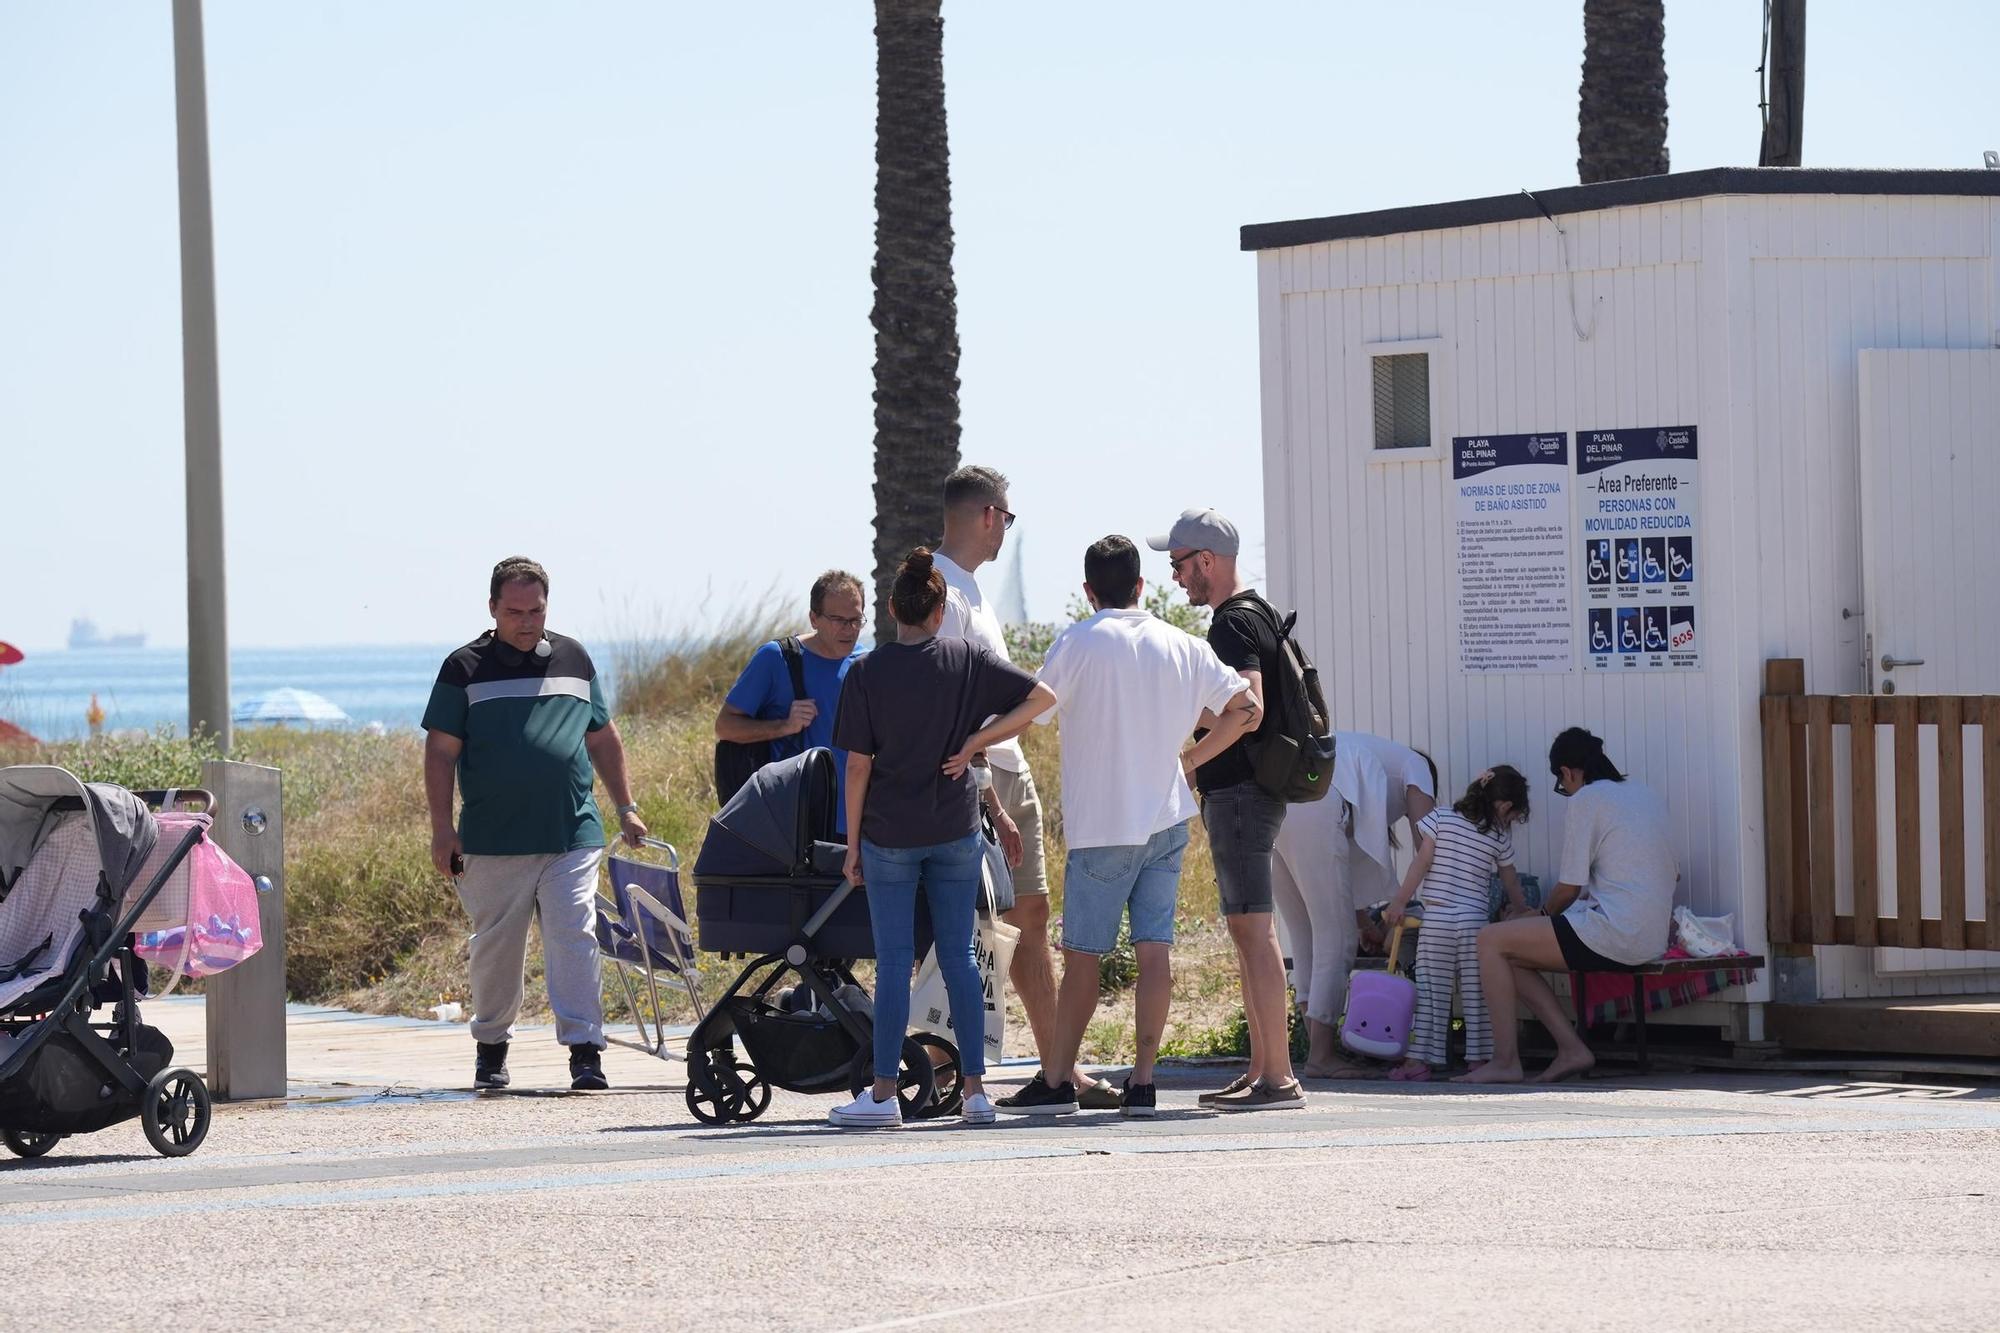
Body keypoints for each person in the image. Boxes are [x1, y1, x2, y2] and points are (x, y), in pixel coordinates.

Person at [995, 536, 1258, 1117]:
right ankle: (1142, 1081)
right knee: (1155, 953)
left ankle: (1058, 1079)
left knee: (1084, 956)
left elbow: (1034, 712)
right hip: (1167, 819)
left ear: (1088, 591)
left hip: (1103, 825)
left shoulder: (1079, 641)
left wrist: (976, 738)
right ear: (1142, 585)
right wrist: (1189, 759)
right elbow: (1247, 710)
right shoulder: (1181, 643)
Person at [827, 548, 1056, 1128]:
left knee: (896, 959)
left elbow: (857, 766)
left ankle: (882, 1096)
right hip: (955, 830)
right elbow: (1041, 698)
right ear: (939, 609)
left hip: (888, 834)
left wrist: (851, 844)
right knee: (959, 958)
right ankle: (976, 1093)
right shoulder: (966, 659)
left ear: (890, 609)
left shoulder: (866, 672)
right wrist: (979, 743)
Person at [422, 556, 646, 1092]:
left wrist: (625, 806)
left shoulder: (573, 658)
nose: (527, 621)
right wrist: (441, 828)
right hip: (492, 840)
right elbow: (440, 752)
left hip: (572, 832)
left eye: (536, 610)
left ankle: (586, 1052)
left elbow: (602, 738)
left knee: (574, 933)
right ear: (493, 608)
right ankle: (491, 1047)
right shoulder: (464, 668)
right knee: (497, 945)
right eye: (514, 611)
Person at [932, 465, 1118, 1109]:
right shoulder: (942, 592)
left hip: (1010, 770)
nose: (1006, 530)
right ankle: (933, 1067)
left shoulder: (972, 591)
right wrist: (985, 791)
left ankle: (1058, 1072)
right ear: (987, 515)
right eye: (1006, 518)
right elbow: (945, 710)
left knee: (1031, 917)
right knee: (965, 928)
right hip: (978, 779)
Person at [1151, 507, 1305, 1111]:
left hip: (1240, 793)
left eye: (1180, 565)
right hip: (1255, 791)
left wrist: (1186, 763)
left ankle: (1279, 1078)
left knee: (1253, 931)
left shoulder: (1231, 626)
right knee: (1250, 933)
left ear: (1206, 561)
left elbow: (1249, 709)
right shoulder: (1259, 613)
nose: (1176, 578)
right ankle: (1262, 1069)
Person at [1458, 728, 1678, 1085]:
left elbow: (1569, 889)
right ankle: (1571, 1049)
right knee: (1509, 953)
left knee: (1490, 940)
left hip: (1616, 934)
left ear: (1567, 773)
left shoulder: (1587, 799)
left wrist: (1539, 915)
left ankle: (1505, 1061)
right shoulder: (1645, 794)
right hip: (1651, 936)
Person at [1271, 732, 1437, 1077]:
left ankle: (1316, 1049)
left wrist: (1367, 924)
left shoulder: (1365, 777)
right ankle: (1322, 1055)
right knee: (1337, 939)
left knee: (1307, 939)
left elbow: (1343, 877)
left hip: (1277, 806)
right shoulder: (1417, 765)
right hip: (1317, 804)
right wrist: (1416, 903)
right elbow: (1428, 843)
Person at [1383, 766, 1531, 1080]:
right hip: (1474, 921)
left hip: (1437, 918)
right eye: (1513, 815)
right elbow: (1510, 879)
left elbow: (1420, 863)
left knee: (1430, 992)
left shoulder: (1440, 818)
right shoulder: (1498, 837)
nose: (1510, 822)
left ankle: (1419, 1061)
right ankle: (1479, 1060)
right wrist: (1521, 909)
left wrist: (1399, 901)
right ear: (1504, 806)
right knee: (1477, 993)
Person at [716, 570, 867, 829]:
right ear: (813, 618)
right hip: (791, 825)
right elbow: (725, 727)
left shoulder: (866, 663)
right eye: (838, 619)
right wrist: (784, 726)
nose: (849, 629)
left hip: (856, 825)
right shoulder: (776, 658)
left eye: (856, 620)